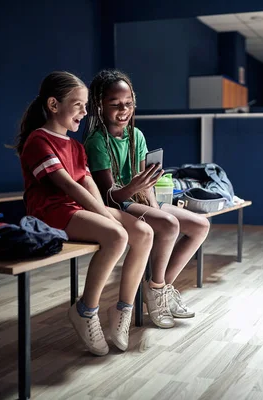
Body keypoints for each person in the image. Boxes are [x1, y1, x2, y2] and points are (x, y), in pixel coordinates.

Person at [16, 71, 153, 355]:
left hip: (77, 208)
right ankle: (86, 310)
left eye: (86, 105)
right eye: (78, 104)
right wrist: (108, 218)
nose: (84, 111)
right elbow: (66, 186)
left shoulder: (76, 146)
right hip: (49, 212)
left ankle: (122, 311)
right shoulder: (38, 140)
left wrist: (107, 212)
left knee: (143, 231)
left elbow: (88, 184)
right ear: (54, 105)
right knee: (116, 236)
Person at [83, 69, 210, 329]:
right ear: (99, 105)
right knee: (169, 224)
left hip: (138, 198)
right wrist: (138, 190)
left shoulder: (137, 136)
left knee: (200, 225)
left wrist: (153, 204)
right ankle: (157, 289)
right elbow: (110, 197)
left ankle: (159, 287)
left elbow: (145, 183)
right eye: (115, 104)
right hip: (117, 204)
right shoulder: (96, 142)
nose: (123, 109)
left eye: (128, 103)